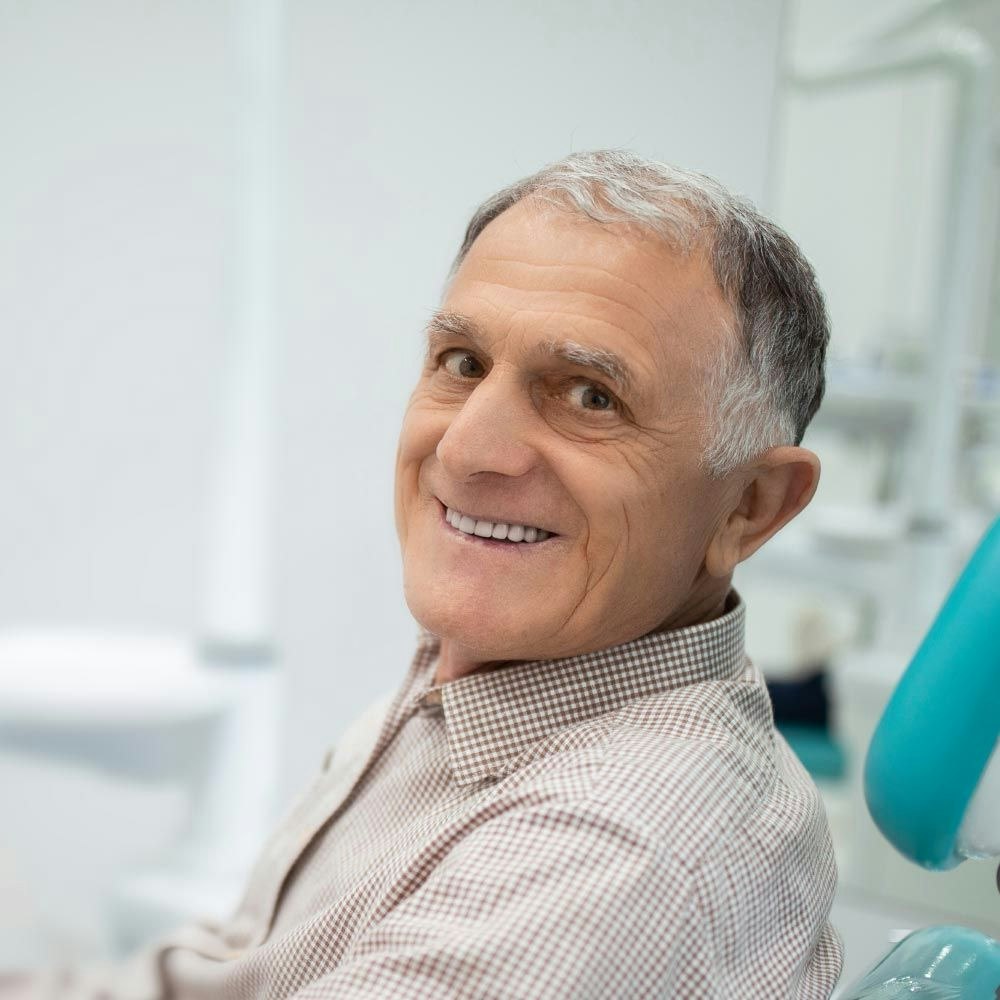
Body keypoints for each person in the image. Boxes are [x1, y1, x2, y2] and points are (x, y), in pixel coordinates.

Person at [18, 150, 842, 998]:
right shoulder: (467, 697)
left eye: (591, 395)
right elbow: (230, 969)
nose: (467, 449)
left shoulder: (610, 850)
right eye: (463, 363)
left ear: (750, 504)